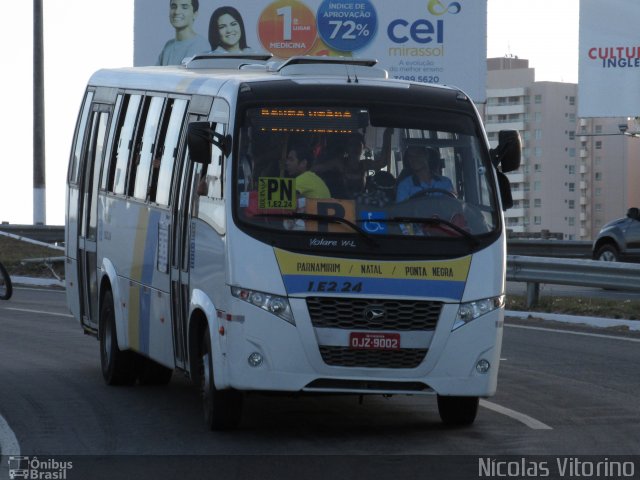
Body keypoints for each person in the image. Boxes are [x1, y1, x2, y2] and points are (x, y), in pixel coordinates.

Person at [157, 0, 210, 66]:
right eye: (173, 7)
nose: (177, 12)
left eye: (184, 7)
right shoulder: (168, 46)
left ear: (195, 14)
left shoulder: (202, 46)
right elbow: (155, 75)